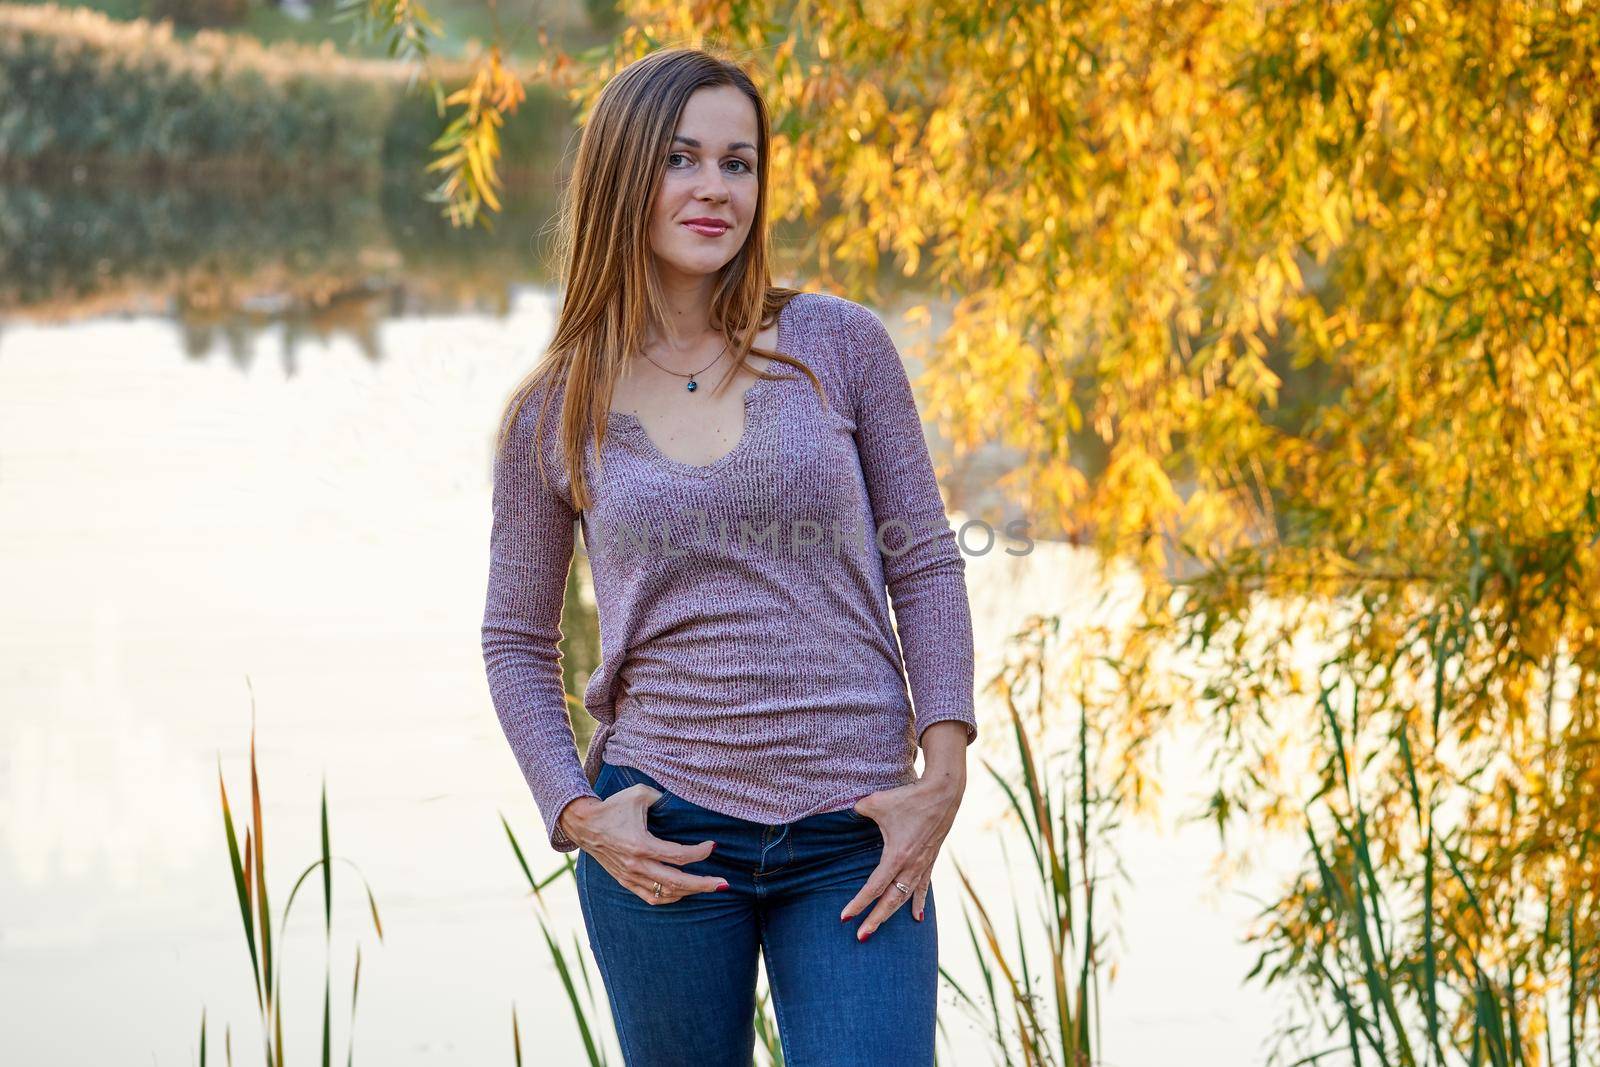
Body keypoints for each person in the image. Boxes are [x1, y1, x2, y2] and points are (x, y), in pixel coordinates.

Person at [480, 46, 977, 1067]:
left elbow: (924, 563)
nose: (715, 188)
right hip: (662, 834)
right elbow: (514, 639)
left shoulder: (838, 344)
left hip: (856, 831)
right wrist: (577, 812)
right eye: (682, 158)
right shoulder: (554, 408)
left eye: (739, 162)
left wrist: (944, 771)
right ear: (623, 175)